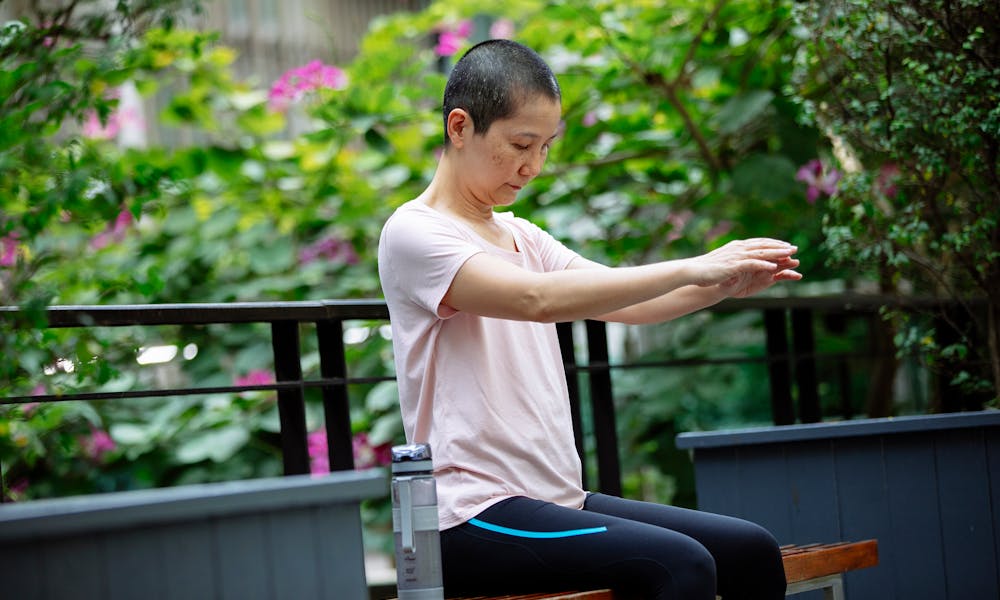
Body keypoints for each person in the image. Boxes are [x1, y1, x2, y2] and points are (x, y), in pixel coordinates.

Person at [377, 39, 796, 600]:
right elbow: (536, 299)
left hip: (555, 501)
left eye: (546, 146)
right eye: (520, 144)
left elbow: (628, 304)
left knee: (750, 551)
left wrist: (719, 284)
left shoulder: (521, 234)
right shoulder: (415, 233)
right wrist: (692, 265)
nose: (533, 166)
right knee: (680, 566)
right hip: (469, 514)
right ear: (459, 127)